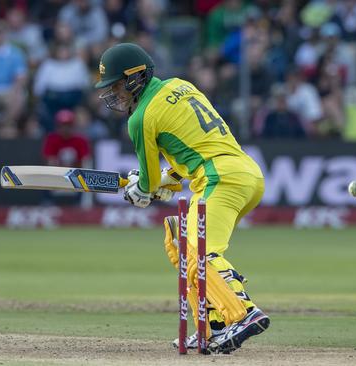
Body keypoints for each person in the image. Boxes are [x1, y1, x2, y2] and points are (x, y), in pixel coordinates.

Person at [94, 43, 269, 354]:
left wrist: (142, 190)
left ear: (136, 78)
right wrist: (167, 180)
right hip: (245, 173)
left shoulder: (140, 119)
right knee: (179, 241)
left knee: (200, 253)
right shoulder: (180, 85)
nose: (115, 94)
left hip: (219, 178)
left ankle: (243, 313)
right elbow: (191, 146)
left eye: (118, 85)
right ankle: (211, 327)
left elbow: (146, 181)